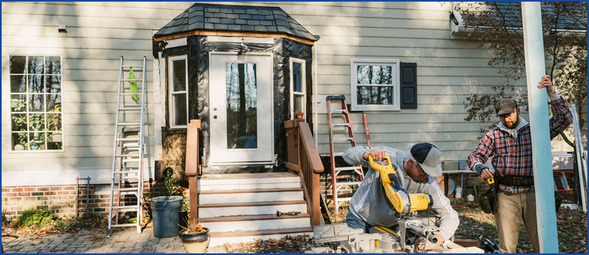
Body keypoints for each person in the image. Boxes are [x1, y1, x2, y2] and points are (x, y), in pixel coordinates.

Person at [467, 75, 573, 253]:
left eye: (509, 115)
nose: (506, 119)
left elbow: (565, 120)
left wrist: (552, 94)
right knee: (507, 246)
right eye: (502, 117)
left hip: (534, 193)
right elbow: (474, 157)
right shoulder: (493, 135)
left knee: (543, 242)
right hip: (506, 195)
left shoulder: (536, 130)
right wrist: (481, 167)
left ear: (518, 110)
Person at [342, 142, 459, 251]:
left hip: (391, 227)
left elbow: (450, 215)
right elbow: (347, 154)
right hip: (359, 220)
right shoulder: (387, 157)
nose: (427, 175)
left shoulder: (428, 182)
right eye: (424, 171)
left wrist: (438, 238)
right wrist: (365, 154)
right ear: (410, 163)